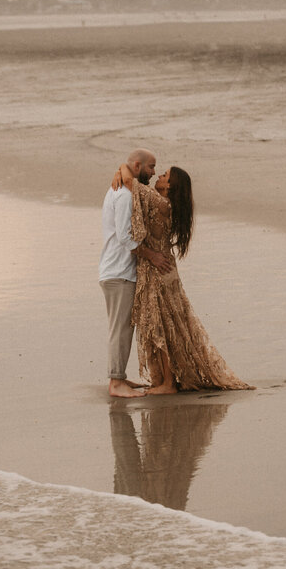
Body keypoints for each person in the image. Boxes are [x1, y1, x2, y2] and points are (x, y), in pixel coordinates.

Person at [113, 162, 253, 394]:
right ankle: (168, 380)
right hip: (163, 269)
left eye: (165, 175)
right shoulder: (165, 204)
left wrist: (119, 168)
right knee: (167, 324)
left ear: (170, 186)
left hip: (158, 271)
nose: (159, 175)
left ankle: (168, 383)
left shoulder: (161, 203)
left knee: (161, 325)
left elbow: (129, 179)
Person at [99, 148, 172, 398]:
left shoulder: (127, 188)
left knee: (122, 328)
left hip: (118, 271)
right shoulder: (123, 194)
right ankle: (116, 382)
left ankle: (119, 377)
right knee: (120, 329)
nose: (153, 173)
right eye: (151, 167)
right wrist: (152, 255)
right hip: (118, 272)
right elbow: (124, 237)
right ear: (138, 165)